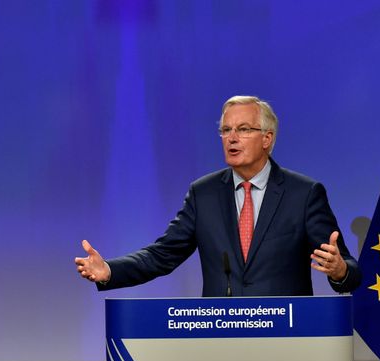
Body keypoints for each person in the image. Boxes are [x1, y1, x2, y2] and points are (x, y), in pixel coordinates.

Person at [75, 96, 360, 296]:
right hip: (219, 337)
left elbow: (350, 269)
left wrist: (339, 271)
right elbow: (162, 255)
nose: (232, 137)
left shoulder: (304, 193)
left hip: (285, 336)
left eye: (244, 129)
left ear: (267, 138)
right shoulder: (204, 193)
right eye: (225, 130)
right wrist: (110, 270)